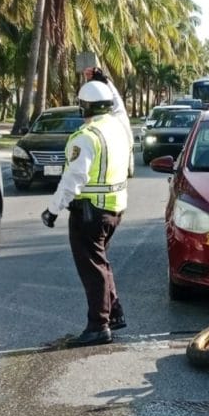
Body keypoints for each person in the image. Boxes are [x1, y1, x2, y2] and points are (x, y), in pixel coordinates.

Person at [41, 81, 132, 346]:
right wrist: (108, 83)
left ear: (83, 106)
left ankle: (98, 326)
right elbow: (121, 110)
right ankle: (113, 314)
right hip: (114, 209)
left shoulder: (87, 136)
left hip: (89, 213)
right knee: (100, 264)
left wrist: (52, 210)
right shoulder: (118, 128)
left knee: (92, 270)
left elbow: (74, 178)